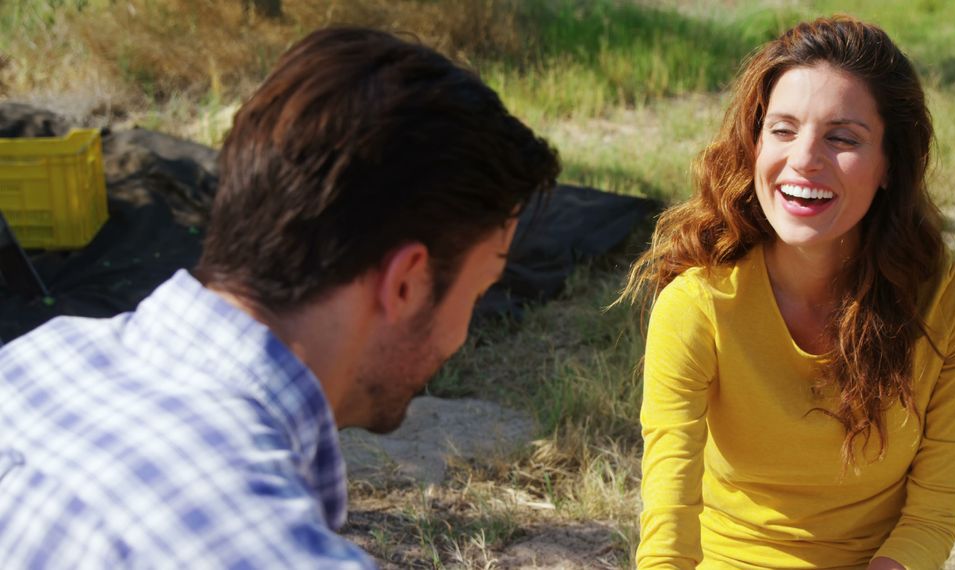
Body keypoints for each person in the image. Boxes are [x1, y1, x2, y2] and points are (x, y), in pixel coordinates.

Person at [0, 27, 559, 567]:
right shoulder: (271, 550)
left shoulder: (32, 361)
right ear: (406, 283)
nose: (462, 335)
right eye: (479, 290)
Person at [622, 16, 955, 570]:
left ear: (890, 165)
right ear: (753, 145)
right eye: (782, 130)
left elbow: (931, 516)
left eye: (843, 138)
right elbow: (668, 532)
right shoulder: (698, 303)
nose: (804, 159)